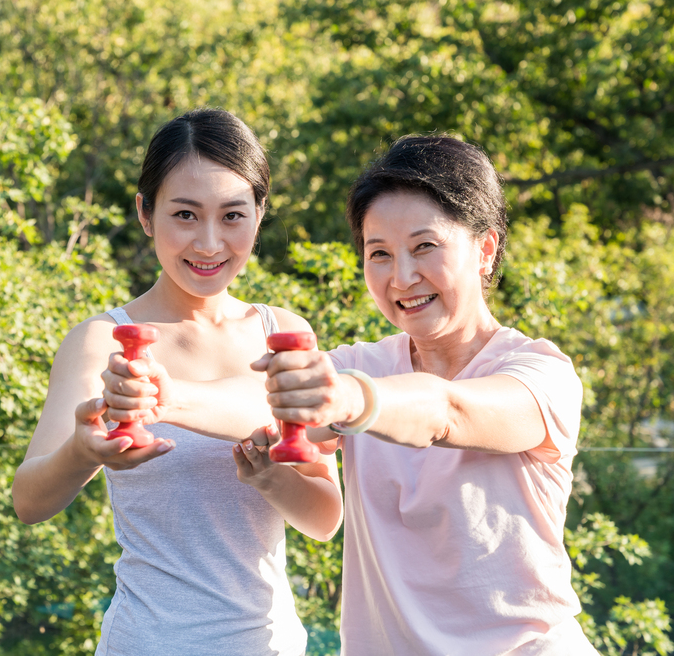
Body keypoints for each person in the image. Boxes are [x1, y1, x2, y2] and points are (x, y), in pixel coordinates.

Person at [104, 135, 599, 654]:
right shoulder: (360, 365)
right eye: (379, 253)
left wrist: (351, 402)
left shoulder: (540, 374)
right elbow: (265, 399)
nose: (402, 277)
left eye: (424, 246)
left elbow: (446, 410)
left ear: (485, 248)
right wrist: (166, 396)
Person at [11, 108, 342, 656]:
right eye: (185, 215)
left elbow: (326, 518)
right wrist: (83, 450)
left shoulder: (283, 332)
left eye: (232, 215)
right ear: (145, 213)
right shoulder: (102, 339)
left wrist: (269, 478)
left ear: (259, 215)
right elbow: (29, 500)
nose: (209, 243)